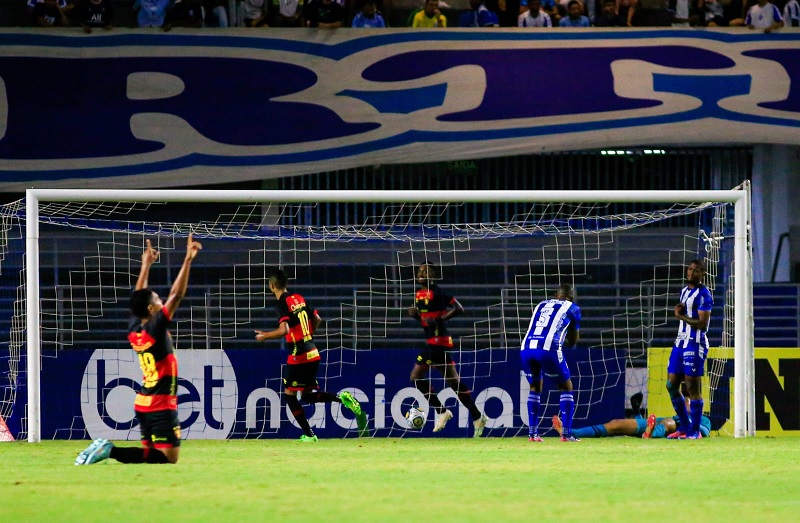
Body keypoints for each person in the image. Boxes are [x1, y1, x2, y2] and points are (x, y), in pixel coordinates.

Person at [75, 234, 203, 465]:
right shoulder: (154, 328)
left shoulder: (136, 328)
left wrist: (145, 265)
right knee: (168, 458)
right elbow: (177, 295)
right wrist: (187, 260)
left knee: (149, 457)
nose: (161, 300)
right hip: (162, 403)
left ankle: (110, 452)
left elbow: (139, 297)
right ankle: (109, 449)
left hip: (144, 402)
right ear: (151, 309)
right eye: (157, 299)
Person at [255, 268, 367, 441]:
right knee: (307, 396)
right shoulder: (298, 298)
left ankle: (309, 435)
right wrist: (308, 336)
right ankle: (342, 399)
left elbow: (284, 329)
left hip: (299, 354)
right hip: (313, 351)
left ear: (271, 285)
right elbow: (318, 319)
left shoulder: (281, 303)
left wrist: (265, 336)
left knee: (289, 396)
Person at [407, 263, 487, 437]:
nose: (422, 273)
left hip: (438, 342)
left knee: (415, 377)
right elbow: (426, 322)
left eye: (426, 271)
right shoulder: (419, 294)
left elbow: (459, 308)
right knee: (454, 382)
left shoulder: (438, 292)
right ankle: (477, 416)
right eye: (420, 270)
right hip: (435, 341)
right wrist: (417, 317)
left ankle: (442, 411)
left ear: (433, 275)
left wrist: (439, 320)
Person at [521, 284, 581, 442]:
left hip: (526, 347)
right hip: (548, 348)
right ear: (571, 297)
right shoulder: (573, 307)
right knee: (566, 387)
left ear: (555, 295)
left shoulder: (541, 304)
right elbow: (573, 340)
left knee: (535, 386)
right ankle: (567, 434)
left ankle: (533, 434)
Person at [665, 259, 712, 440]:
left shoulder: (704, 295)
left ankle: (695, 431)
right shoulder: (684, 291)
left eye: (696, 270)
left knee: (692, 388)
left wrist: (680, 316)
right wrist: (681, 315)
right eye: (690, 269)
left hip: (695, 343)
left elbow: (702, 323)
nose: (692, 272)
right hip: (680, 343)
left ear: (703, 274)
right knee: (671, 385)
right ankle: (684, 428)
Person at [552, 409, 711, 439]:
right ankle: (571, 432)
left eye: (690, 401)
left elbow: (703, 431)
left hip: (673, 426)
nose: (687, 402)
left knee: (669, 423)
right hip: (655, 421)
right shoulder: (675, 415)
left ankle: (650, 433)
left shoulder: (704, 419)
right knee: (616, 423)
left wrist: (688, 420)